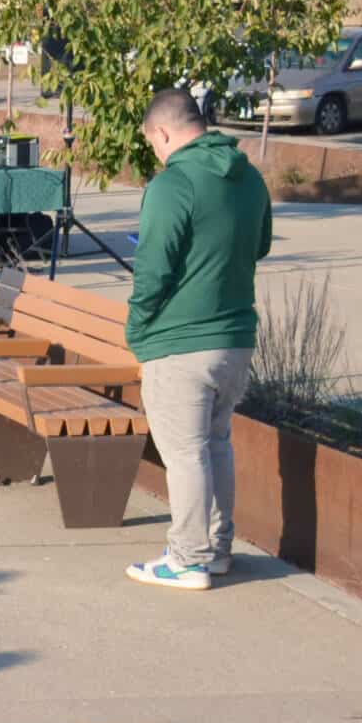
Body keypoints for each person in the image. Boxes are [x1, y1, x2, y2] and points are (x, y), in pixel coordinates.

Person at [122, 89, 275, 592]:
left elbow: (152, 271)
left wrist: (138, 330)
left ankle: (187, 558)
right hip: (235, 338)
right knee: (216, 444)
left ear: (162, 133)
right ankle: (218, 548)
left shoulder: (173, 184)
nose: (156, 154)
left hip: (180, 342)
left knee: (185, 453)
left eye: (153, 144)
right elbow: (262, 244)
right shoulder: (249, 177)